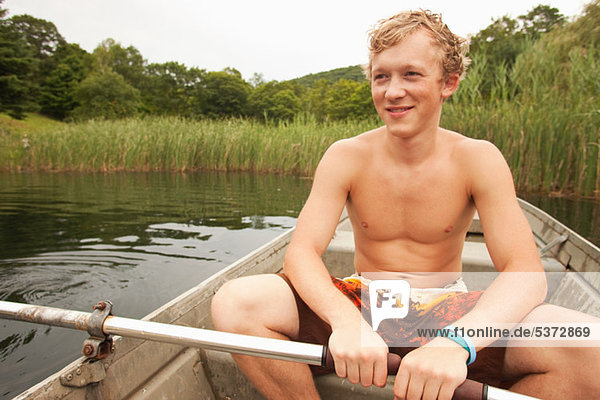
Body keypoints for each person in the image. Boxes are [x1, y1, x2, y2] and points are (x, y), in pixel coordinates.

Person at [211, 10, 600, 400]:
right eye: (382, 76)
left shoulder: (478, 159)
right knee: (236, 302)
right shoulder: (346, 156)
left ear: (449, 82)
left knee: (592, 349)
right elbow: (301, 254)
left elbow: (526, 273)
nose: (392, 91)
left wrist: (457, 343)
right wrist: (347, 323)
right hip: (363, 300)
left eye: (410, 74)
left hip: (448, 310)